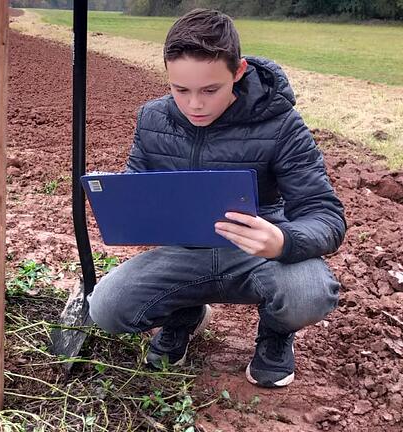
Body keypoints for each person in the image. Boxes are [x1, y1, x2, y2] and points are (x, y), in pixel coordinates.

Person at [87, 8, 345, 388]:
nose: (194, 105)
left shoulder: (282, 124)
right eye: (181, 90)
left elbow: (326, 215)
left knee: (309, 293)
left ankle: (275, 334)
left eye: (210, 90)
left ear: (238, 72)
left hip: (258, 252)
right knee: (107, 309)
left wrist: (282, 240)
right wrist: (121, 201)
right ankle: (184, 315)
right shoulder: (152, 119)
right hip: (185, 252)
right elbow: (138, 186)